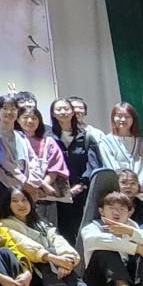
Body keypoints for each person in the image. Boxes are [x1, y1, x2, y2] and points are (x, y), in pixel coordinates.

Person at [2, 186, 107, 286]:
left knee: (54, 250)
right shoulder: (5, 224)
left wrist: (67, 259)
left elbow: (58, 240)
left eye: (24, 200)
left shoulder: (41, 223)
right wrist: (54, 259)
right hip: (32, 271)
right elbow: (24, 245)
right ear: (8, 204)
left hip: (54, 267)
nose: (21, 204)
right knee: (48, 252)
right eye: (15, 201)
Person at [3, 105, 69, 226]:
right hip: (19, 193)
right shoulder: (12, 140)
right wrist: (33, 186)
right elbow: (9, 165)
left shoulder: (48, 141)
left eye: (34, 118)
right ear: (18, 120)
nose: (30, 121)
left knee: (48, 227)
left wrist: (42, 187)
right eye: (25, 117)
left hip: (46, 196)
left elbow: (55, 167)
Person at [48, 98, 100, 241]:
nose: (63, 112)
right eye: (59, 109)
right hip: (56, 194)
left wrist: (81, 185)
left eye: (66, 109)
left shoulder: (86, 137)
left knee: (84, 231)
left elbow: (93, 165)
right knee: (61, 233)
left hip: (82, 193)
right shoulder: (49, 137)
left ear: (72, 112)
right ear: (53, 113)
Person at [90, 102, 143, 203]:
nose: (123, 120)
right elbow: (111, 166)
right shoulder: (105, 142)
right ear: (113, 118)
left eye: (127, 116)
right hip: (118, 193)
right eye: (119, 116)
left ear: (133, 119)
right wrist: (123, 186)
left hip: (140, 192)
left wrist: (137, 187)